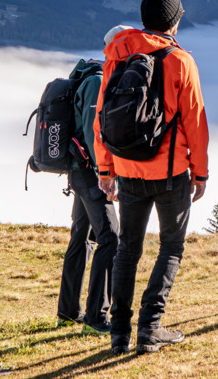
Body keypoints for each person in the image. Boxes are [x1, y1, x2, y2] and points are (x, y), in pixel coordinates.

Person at [94, 0, 209, 355]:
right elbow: (196, 123)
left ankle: (119, 332)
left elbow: (102, 118)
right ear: (175, 21)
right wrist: (201, 174)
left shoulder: (119, 55)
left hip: (127, 170)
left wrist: (105, 168)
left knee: (128, 249)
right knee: (171, 247)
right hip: (171, 172)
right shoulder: (180, 61)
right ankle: (150, 327)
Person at [56, 26, 127, 333]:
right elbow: (91, 132)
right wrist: (105, 174)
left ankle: (68, 311)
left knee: (81, 237)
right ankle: (96, 317)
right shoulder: (98, 81)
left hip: (79, 171)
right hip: (89, 173)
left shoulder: (91, 76)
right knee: (110, 236)